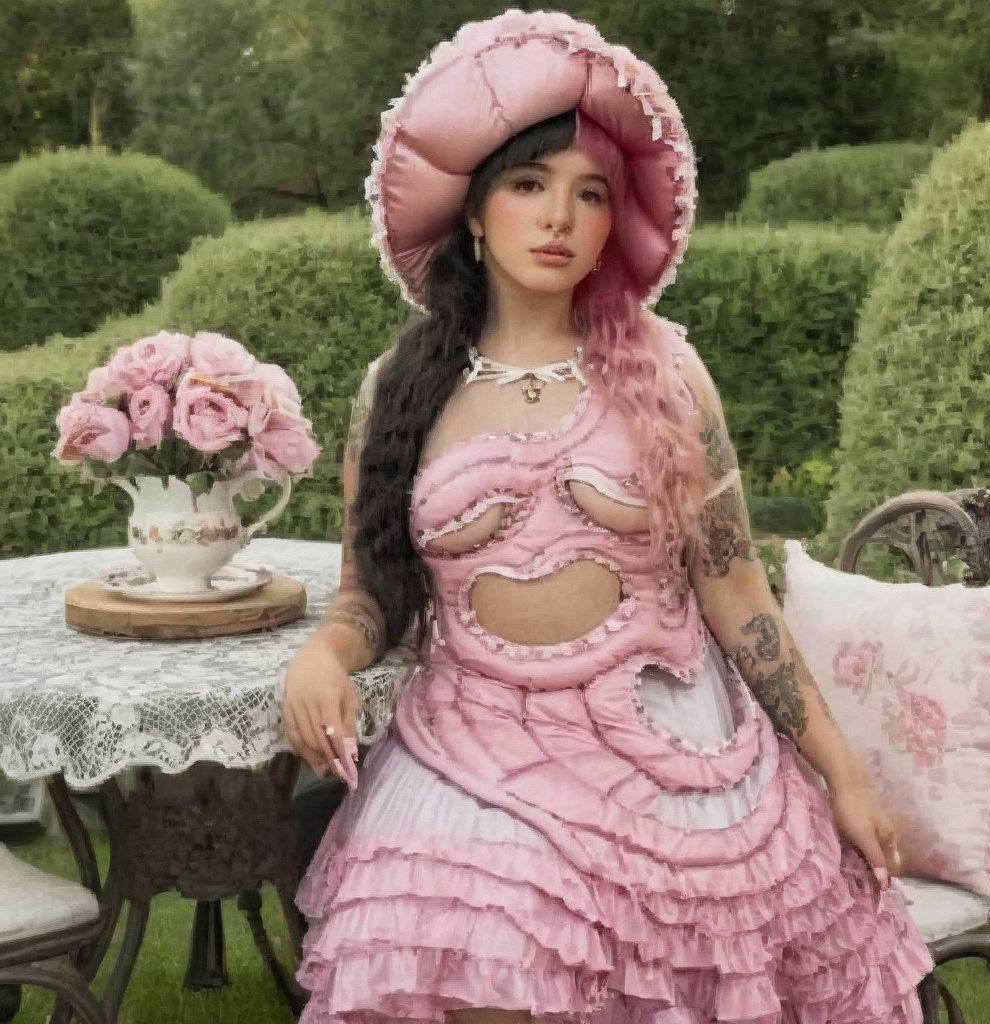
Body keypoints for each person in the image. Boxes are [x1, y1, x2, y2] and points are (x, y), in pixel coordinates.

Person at [281, 9, 933, 1023]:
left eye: (589, 195)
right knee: (478, 967)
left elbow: (738, 593)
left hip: (666, 736)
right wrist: (326, 651)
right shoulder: (397, 388)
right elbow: (370, 592)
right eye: (529, 185)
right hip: (476, 741)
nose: (559, 218)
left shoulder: (667, 373)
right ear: (470, 211)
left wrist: (840, 771)